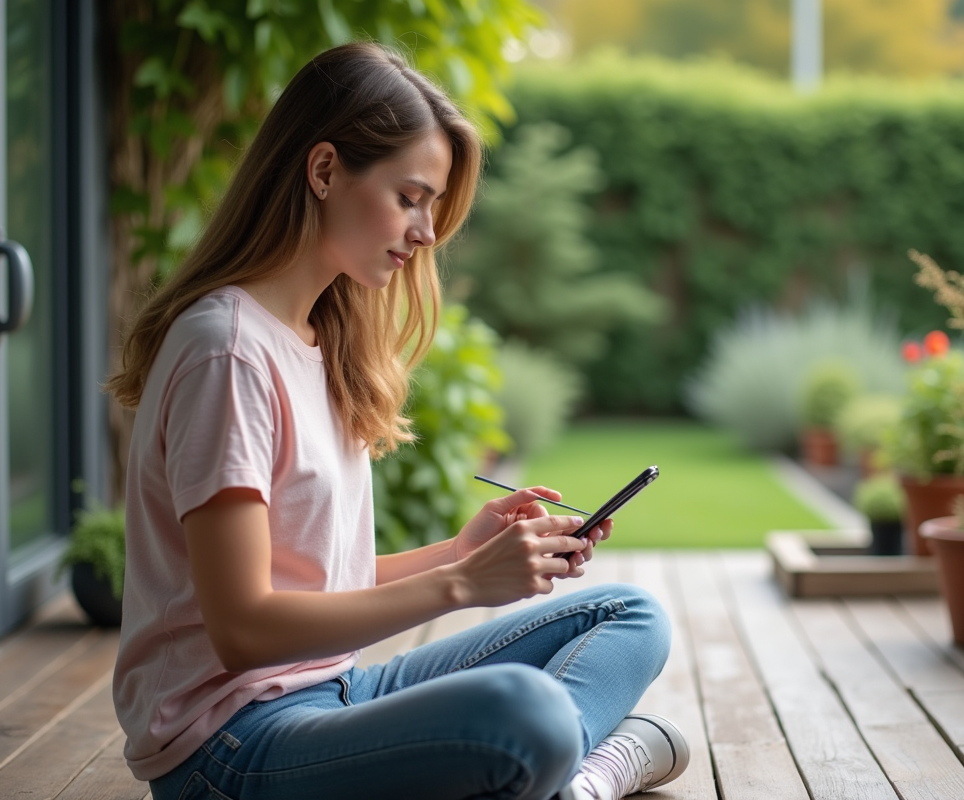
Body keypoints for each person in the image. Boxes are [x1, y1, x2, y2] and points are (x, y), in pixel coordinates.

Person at [107, 41, 689, 800]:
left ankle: (569, 780)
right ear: (323, 172)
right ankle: (588, 778)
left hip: (332, 694)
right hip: (228, 748)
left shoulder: (315, 340)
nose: (425, 233)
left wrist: (460, 552)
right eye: (410, 197)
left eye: (433, 208)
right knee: (529, 715)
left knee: (629, 611)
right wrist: (462, 586)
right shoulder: (229, 354)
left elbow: (310, 586)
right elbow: (243, 629)